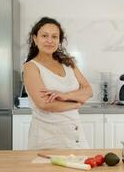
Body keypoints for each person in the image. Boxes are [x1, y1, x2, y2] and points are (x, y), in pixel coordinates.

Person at [23, 17, 93, 150]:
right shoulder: (31, 67)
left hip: (75, 134)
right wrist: (76, 103)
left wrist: (65, 96)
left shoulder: (68, 63)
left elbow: (88, 90)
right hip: (47, 137)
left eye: (54, 36)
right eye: (44, 36)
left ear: (59, 40)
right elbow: (43, 103)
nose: (50, 40)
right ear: (35, 39)